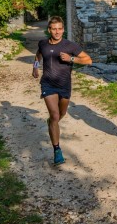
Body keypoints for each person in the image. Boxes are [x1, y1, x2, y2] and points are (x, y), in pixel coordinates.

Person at [32, 16, 92, 165]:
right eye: (54, 29)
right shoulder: (43, 43)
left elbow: (88, 60)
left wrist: (71, 59)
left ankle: (53, 123)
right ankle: (57, 150)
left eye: (60, 29)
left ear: (63, 30)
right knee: (55, 114)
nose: (57, 32)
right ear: (49, 30)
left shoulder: (70, 45)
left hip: (64, 85)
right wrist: (35, 66)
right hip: (47, 84)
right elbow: (38, 54)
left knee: (61, 114)